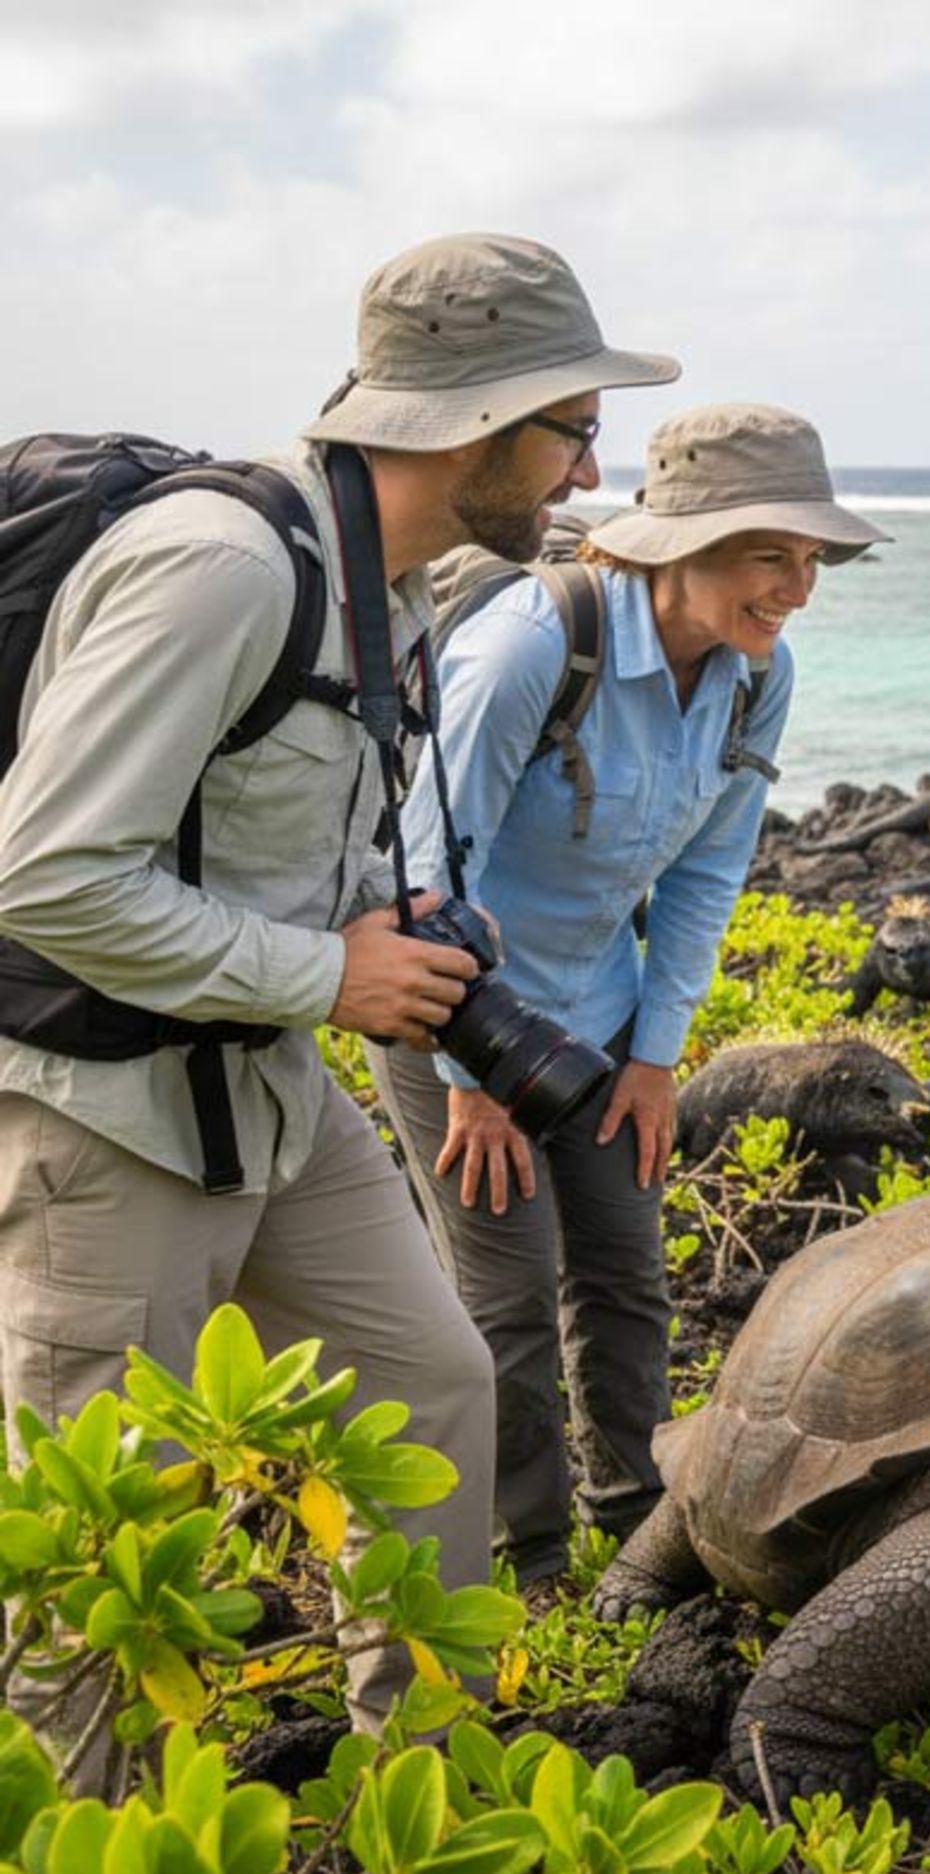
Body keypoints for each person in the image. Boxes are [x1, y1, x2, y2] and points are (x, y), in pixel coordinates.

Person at [0, 232, 680, 1752]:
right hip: (106, 1113)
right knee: (102, 1532)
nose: (585, 471)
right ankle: (74, 1849)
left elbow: (276, 829)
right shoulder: (224, 569)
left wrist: (393, 915)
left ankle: (414, 1782)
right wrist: (336, 971)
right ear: (475, 421)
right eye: (573, 429)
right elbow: (41, 876)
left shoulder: (400, 589)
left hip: (262, 1084)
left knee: (434, 1389)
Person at [370, 402, 888, 1599]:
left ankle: (638, 1526)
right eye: (773, 554)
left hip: (601, 1011)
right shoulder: (528, 649)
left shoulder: (760, 677)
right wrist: (476, 1075)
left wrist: (657, 1053)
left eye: (812, 560)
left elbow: (708, 875)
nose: (798, 588)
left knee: (624, 1273)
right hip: (454, 1011)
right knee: (502, 1298)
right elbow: (423, 870)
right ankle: (532, 1559)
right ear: (680, 544)